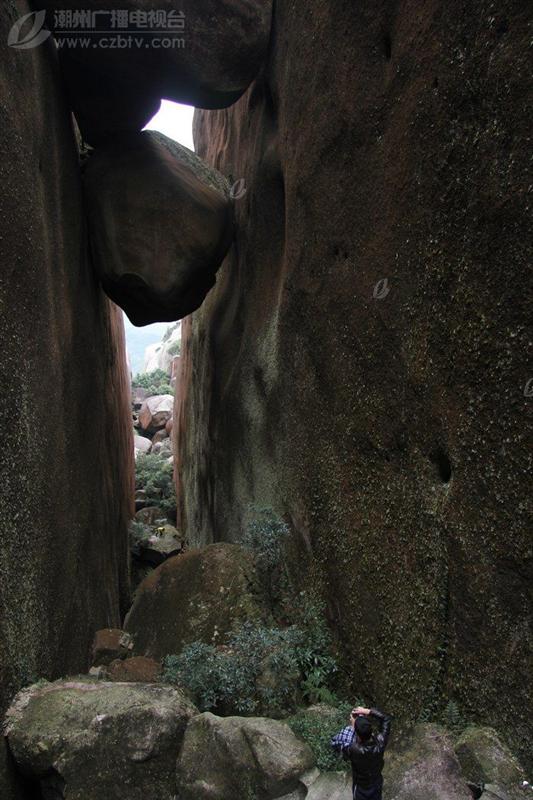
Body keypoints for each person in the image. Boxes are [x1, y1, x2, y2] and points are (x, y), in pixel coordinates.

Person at [331, 705, 391, 800]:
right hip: (376, 782)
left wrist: (354, 725)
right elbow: (386, 719)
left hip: (361, 788)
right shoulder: (381, 742)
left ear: (357, 735)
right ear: (371, 730)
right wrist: (367, 711)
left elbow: (337, 745)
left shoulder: (353, 749)